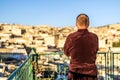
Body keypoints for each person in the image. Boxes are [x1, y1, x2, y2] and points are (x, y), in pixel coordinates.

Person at [64, 13, 98, 80]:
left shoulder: (71, 37)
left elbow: (66, 52)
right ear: (88, 24)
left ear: (76, 24)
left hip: (75, 73)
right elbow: (95, 51)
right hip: (91, 74)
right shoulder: (94, 37)